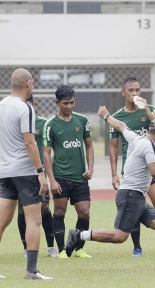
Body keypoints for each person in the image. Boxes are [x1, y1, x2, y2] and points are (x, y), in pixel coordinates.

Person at [64, 106, 155, 271]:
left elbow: (121, 126)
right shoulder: (149, 146)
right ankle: (79, 235)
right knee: (120, 236)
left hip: (136, 196)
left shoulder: (137, 138)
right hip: (130, 195)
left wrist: (106, 116)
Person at [0, 68, 52, 280]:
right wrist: (41, 172)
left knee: (0, 221)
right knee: (34, 220)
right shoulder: (25, 108)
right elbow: (30, 142)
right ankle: (31, 271)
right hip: (26, 172)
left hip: (7, 172)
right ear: (28, 83)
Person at [109, 77, 155, 257]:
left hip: (150, 165)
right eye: (131, 90)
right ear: (123, 93)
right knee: (133, 205)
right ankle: (137, 246)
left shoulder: (149, 110)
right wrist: (114, 174)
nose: (135, 94)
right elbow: (113, 147)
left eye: (137, 90)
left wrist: (146, 109)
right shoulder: (118, 116)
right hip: (132, 168)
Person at [43, 85, 94, 258]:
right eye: (65, 103)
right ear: (57, 102)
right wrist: (52, 179)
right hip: (61, 176)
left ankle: (78, 248)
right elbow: (46, 153)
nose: (69, 106)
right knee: (59, 212)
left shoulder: (82, 121)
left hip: (80, 177)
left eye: (72, 102)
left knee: (85, 212)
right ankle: (63, 250)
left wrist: (90, 168)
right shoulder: (51, 125)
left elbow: (89, 146)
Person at [17, 95, 57, 258]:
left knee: (44, 207)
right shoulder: (16, 124)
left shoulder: (43, 123)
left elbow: (51, 148)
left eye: (29, 105)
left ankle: (50, 246)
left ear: (34, 105)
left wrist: (47, 168)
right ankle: (26, 248)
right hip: (21, 172)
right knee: (22, 209)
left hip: (39, 172)